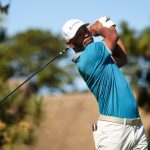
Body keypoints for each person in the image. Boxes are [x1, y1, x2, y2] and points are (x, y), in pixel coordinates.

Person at [62, 16, 148, 150]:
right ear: (70, 44)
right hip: (115, 131)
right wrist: (104, 26)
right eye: (79, 35)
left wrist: (107, 26)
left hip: (135, 127)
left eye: (85, 29)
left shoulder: (99, 57)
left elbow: (122, 59)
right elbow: (112, 36)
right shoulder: (91, 53)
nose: (85, 34)